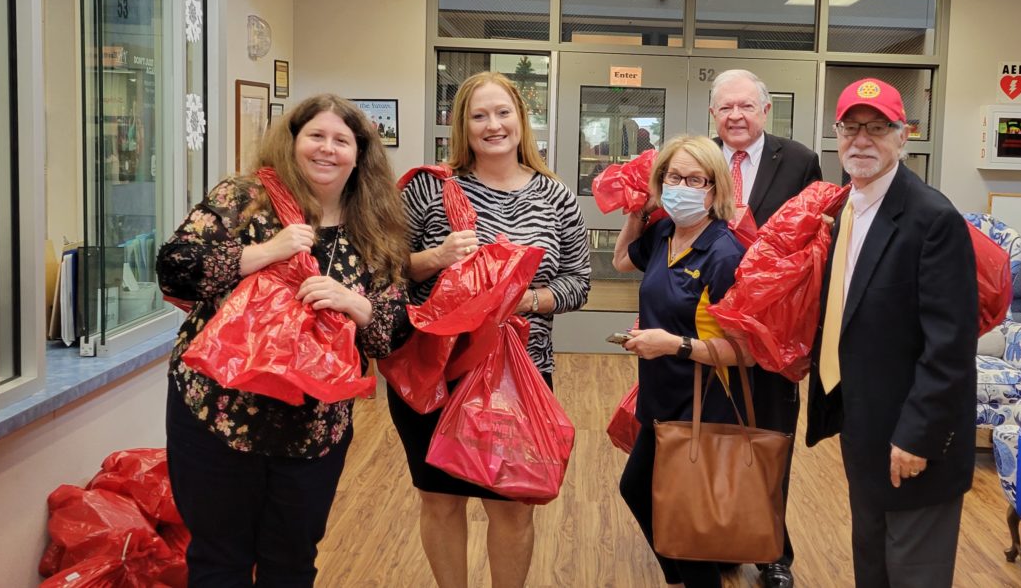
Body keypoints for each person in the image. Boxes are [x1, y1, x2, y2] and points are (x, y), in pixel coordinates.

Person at [156, 94, 411, 586]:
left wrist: (352, 303)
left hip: (312, 429)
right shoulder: (244, 197)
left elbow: (391, 333)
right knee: (218, 561)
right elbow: (175, 269)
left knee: (291, 563)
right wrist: (263, 252)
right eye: (316, 135)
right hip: (216, 413)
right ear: (292, 141)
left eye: (342, 140)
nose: (327, 149)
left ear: (360, 153)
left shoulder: (375, 221)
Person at [394, 71, 591, 588]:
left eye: (503, 112)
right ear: (462, 125)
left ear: (522, 121)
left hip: (517, 376)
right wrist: (436, 257)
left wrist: (523, 298)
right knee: (440, 499)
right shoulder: (428, 190)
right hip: (437, 370)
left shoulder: (557, 197)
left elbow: (578, 283)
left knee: (513, 505)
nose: (493, 125)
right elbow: (386, 268)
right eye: (479, 115)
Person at [804, 78, 978, 588]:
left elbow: (949, 347)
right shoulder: (847, 209)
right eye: (851, 127)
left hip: (913, 440)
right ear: (836, 134)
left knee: (911, 573)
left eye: (877, 128)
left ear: (904, 136)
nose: (862, 140)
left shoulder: (932, 219)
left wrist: (917, 436)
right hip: (865, 428)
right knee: (873, 566)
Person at [612, 134, 762, 588]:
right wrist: (641, 208)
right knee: (636, 489)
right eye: (673, 176)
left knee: (690, 528)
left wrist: (672, 344)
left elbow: (745, 352)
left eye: (695, 179)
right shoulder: (663, 232)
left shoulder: (723, 254)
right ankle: (676, 578)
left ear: (715, 189)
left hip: (704, 404)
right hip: (661, 397)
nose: (682, 186)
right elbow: (620, 260)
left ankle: (686, 576)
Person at [707, 68, 821, 588]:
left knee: (771, 436)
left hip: (772, 330)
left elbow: (811, 244)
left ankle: (773, 551)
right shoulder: (697, 161)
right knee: (715, 435)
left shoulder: (798, 161)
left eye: (745, 106)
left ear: (765, 110)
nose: (735, 116)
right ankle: (720, 538)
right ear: (713, 114)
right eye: (726, 107)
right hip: (708, 323)